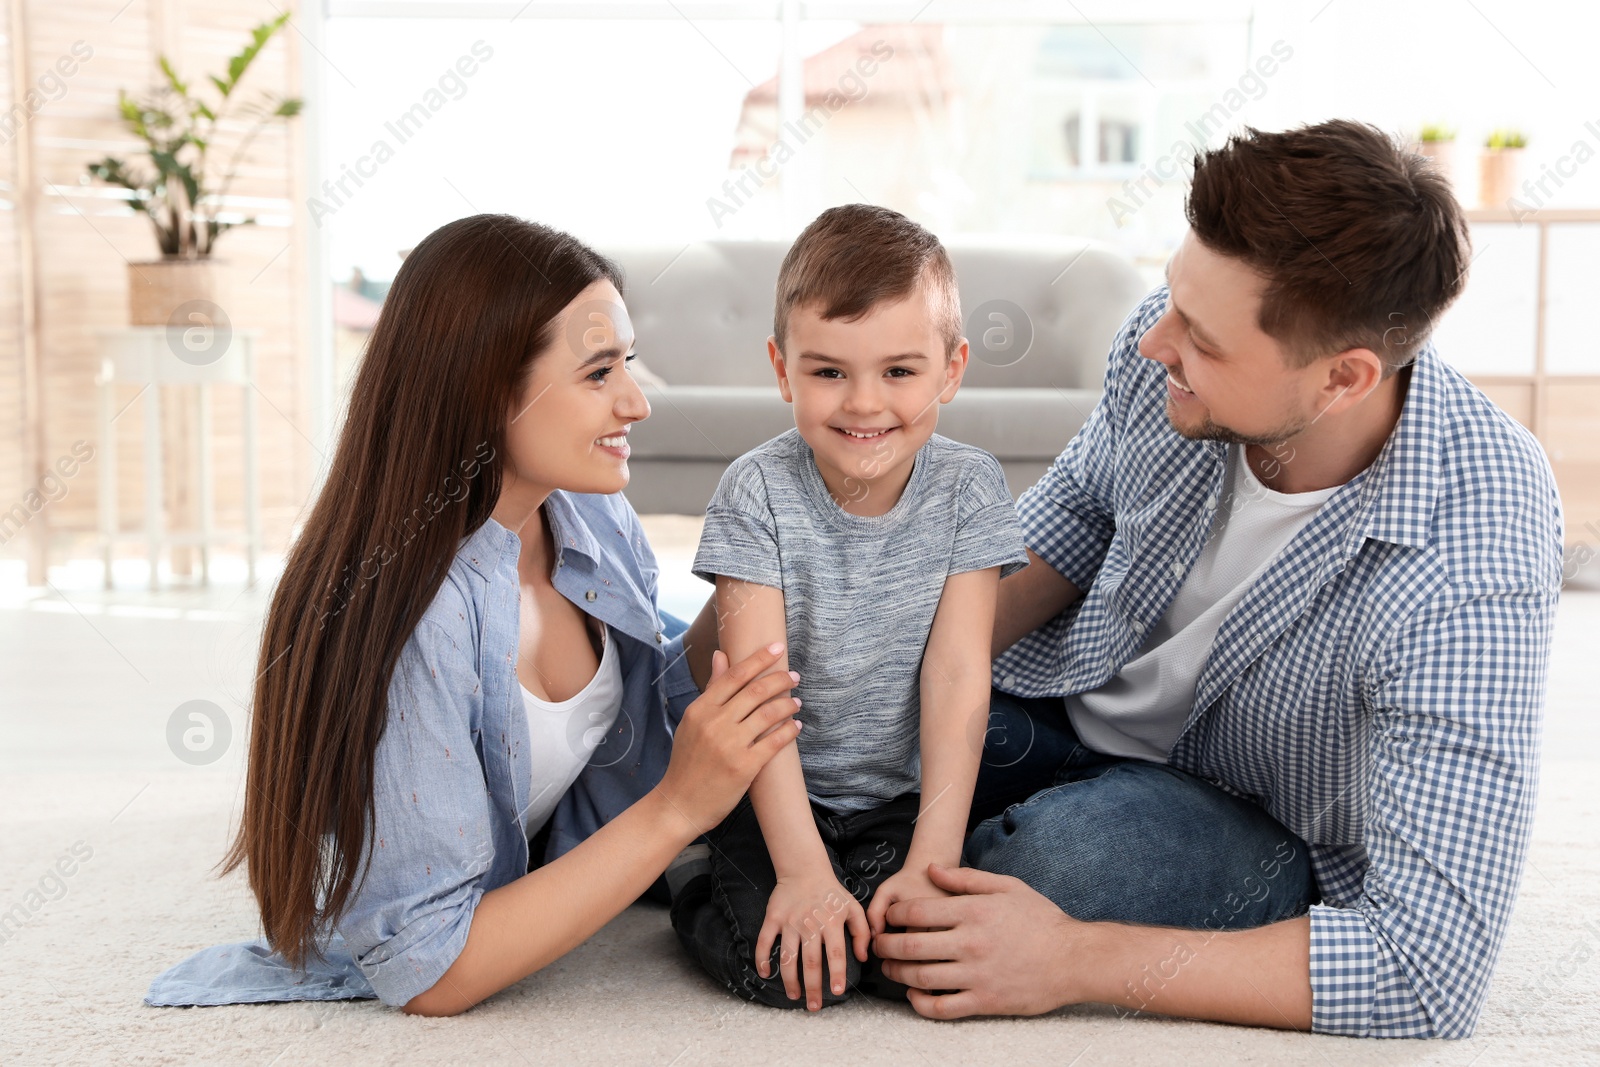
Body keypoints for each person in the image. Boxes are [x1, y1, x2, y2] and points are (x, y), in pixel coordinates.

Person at [871, 120, 1564, 1039]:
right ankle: (843, 863)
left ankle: (844, 875)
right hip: (1067, 702)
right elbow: (1073, 517)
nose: (1156, 340)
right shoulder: (1167, 353)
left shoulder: (1475, 542)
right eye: (1170, 297)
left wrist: (1071, 959)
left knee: (1059, 872)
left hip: (1249, 815)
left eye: (1200, 336)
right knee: (854, 709)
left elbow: (1426, 967)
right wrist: (886, 652)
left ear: (1342, 379)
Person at [145, 215, 803, 1016]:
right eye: (600, 372)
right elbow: (430, 971)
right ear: (486, 388)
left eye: (628, 361)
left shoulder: (588, 515)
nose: (638, 400)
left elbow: (633, 710)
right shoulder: (421, 621)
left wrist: (753, 591)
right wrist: (677, 811)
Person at [667, 204, 1029, 1011]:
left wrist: (932, 855)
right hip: (769, 792)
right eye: (829, 371)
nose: (864, 404)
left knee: (908, 954)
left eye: (899, 372)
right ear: (782, 367)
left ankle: (864, 884)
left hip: (895, 802)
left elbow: (959, 673)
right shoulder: (754, 490)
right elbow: (756, 692)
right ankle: (691, 867)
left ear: (952, 368)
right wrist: (799, 869)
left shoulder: (971, 487)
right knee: (782, 965)